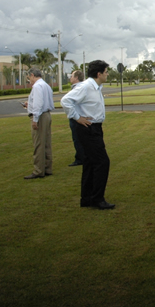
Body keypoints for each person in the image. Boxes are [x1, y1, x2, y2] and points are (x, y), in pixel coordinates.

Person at [61, 60, 115, 209]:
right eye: (105, 72)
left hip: (95, 128)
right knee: (102, 162)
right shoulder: (85, 87)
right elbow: (66, 101)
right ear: (99, 74)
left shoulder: (96, 87)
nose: (107, 74)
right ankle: (97, 199)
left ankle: (87, 198)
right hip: (88, 129)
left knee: (90, 163)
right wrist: (77, 117)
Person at [23, 68, 55, 179]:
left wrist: (35, 119)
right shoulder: (46, 85)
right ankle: (47, 168)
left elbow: (38, 104)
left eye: (29, 78)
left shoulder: (37, 86)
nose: (29, 80)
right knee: (46, 142)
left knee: (38, 143)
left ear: (32, 75)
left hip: (40, 116)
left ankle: (38, 170)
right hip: (46, 114)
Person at [67, 70, 85, 167]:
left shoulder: (77, 89)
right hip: (81, 116)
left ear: (76, 78)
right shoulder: (83, 87)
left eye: (72, 76)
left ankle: (80, 158)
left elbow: (67, 102)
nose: (70, 78)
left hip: (77, 117)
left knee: (77, 139)